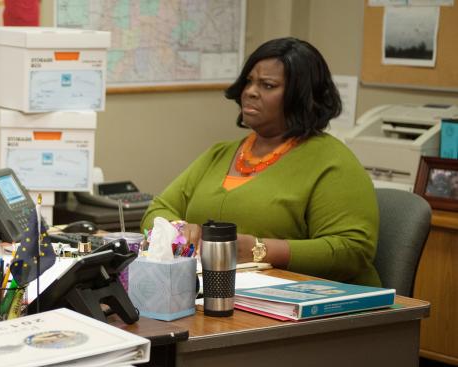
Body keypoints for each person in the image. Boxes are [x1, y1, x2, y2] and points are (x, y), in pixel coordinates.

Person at [142, 37, 380, 286]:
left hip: (314, 307)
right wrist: (178, 230)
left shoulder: (333, 163)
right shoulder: (220, 154)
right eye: (249, 81)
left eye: (267, 85)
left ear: (301, 96)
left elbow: (353, 251)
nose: (250, 92)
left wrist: (260, 250)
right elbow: (157, 210)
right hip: (222, 293)